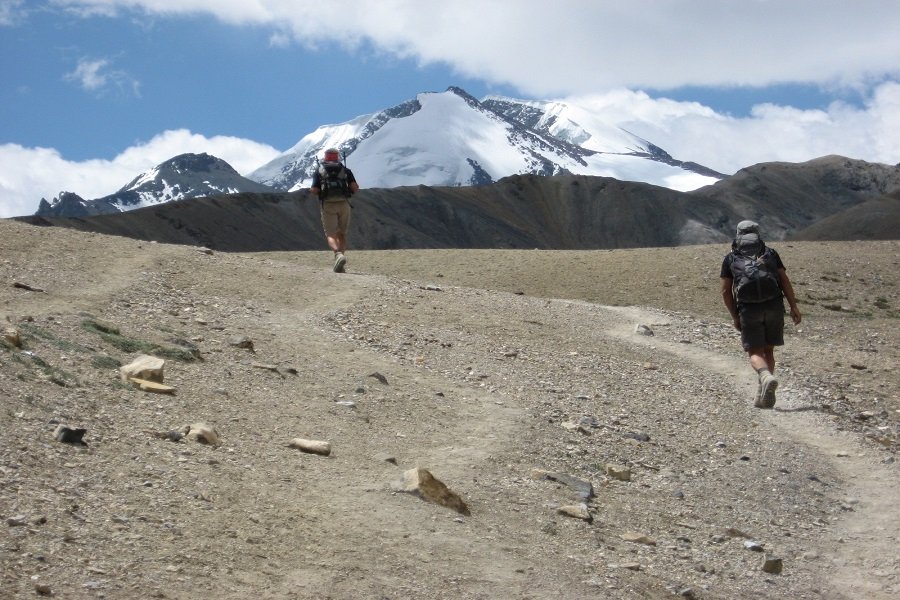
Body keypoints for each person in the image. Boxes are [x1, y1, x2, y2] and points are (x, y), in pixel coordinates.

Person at [720, 220, 802, 408]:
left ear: (738, 234)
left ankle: (765, 377)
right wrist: (794, 307)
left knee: (755, 351)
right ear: (758, 233)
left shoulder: (731, 258)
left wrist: (735, 315)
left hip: (749, 309)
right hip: (774, 306)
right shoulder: (770, 254)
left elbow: (725, 291)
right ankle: (762, 393)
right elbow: (784, 280)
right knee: (768, 350)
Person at [309, 148, 359, 273]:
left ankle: (338, 255)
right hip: (344, 204)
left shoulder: (319, 170)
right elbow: (355, 187)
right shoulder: (345, 170)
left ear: (325, 157)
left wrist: (319, 192)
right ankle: (340, 261)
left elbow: (314, 190)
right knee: (342, 234)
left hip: (328, 205)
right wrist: (348, 192)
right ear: (337, 157)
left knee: (331, 234)